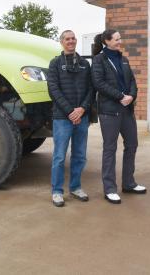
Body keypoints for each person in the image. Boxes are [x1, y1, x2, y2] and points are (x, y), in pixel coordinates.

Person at [91, 29, 146, 204]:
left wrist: (131, 96)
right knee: (110, 148)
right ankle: (110, 188)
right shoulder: (99, 60)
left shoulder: (124, 59)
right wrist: (120, 96)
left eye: (120, 38)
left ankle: (129, 183)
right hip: (109, 111)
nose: (120, 41)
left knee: (132, 144)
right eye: (117, 39)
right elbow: (99, 83)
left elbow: (132, 82)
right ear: (107, 41)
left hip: (127, 110)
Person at [47, 30, 94, 207]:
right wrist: (70, 112)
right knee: (59, 156)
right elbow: (54, 90)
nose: (71, 41)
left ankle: (75, 187)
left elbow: (91, 89)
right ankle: (57, 191)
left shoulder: (84, 64)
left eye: (73, 38)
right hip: (62, 118)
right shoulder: (55, 64)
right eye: (67, 39)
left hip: (82, 116)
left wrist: (82, 109)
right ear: (62, 42)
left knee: (80, 155)